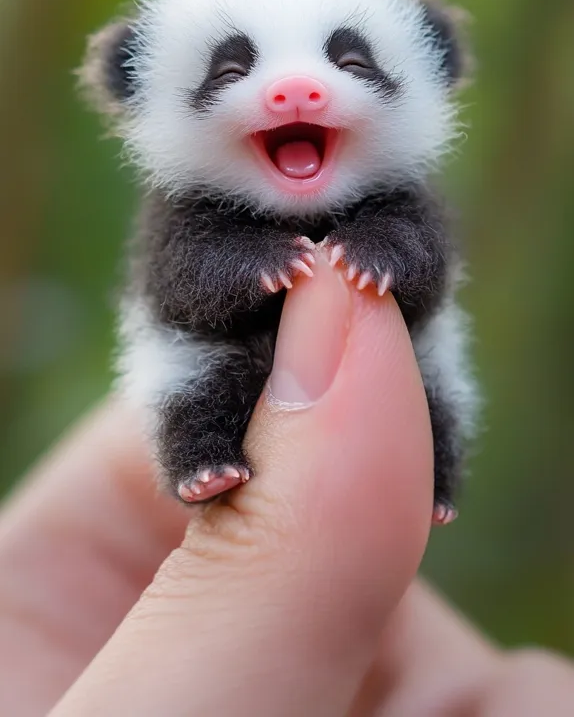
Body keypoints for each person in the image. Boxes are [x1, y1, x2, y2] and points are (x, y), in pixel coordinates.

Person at [0, 255, 572, 716]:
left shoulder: (397, 207)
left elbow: (420, 269)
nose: (293, 100)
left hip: (387, 406)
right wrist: (249, 269)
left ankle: (436, 482)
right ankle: (203, 463)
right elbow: (185, 290)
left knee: (434, 388)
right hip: (225, 378)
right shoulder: (192, 220)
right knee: (191, 388)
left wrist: (383, 258)